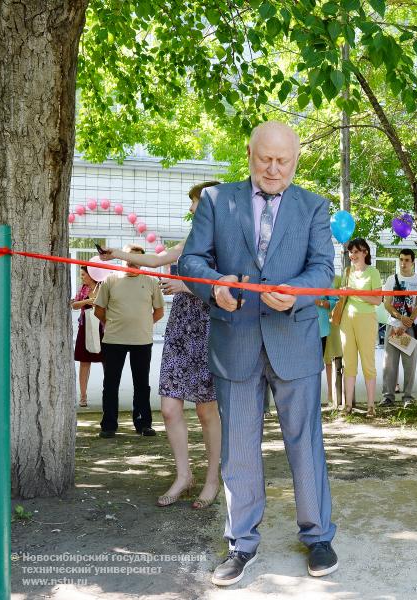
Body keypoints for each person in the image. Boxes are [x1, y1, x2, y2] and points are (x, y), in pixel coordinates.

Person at [179, 121, 339, 586]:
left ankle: (318, 536)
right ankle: (241, 544)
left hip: (295, 340)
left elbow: (323, 269)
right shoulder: (215, 200)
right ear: (249, 153)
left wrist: (299, 294)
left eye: (282, 161)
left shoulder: (313, 206)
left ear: (296, 160)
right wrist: (216, 288)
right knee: (240, 450)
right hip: (236, 340)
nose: (273, 169)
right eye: (264, 159)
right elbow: (192, 261)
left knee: (305, 444)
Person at [99, 180, 224, 510]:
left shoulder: (228, 241)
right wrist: (116, 254)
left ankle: (212, 479)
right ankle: (184, 476)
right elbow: (155, 261)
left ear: (210, 204)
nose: (191, 208)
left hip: (209, 328)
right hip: (181, 328)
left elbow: (230, 284)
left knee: (206, 410)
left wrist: (184, 284)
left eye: (195, 202)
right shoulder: (191, 240)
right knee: (169, 408)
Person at [93, 245, 165, 438]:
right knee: (110, 384)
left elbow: (159, 311)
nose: (133, 262)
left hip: (141, 341)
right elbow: (98, 309)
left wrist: (142, 324)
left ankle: (143, 424)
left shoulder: (151, 282)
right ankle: (108, 425)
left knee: (141, 384)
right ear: (123, 258)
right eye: (129, 258)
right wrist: (111, 324)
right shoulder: (110, 280)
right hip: (114, 341)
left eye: (137, 259)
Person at [338, 238, 383, 417]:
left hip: (366, 318)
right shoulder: (347, 271)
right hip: (347, 319)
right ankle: (347, 405)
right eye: (350, 252)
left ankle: (371, 406)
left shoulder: (373, 272)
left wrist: (354, 292)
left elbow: (378, 300)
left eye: (356, 251)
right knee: (348, 362)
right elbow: (344, 295)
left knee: (368, 362)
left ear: (365, 252)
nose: (352, 255)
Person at [380, 249, 417, 408]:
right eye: (401, 259)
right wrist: (400, 320)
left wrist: (407, 324)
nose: (403, 263)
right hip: (393, 327)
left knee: (409, 365)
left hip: (410, 327)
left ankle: (408, 397)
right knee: (389, 364)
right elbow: (387, 303)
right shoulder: (391, 280)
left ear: (413, 262)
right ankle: (388, 397)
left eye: (407, 260)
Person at [72, 266, 103, 407]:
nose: (82, 277)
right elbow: (74, 305)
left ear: (92, 275)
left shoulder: (103, 287)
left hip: (103, 329)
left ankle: (108, 393)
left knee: (107, 362)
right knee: (84, 362)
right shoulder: (83, 289)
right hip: (85, 328)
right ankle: (83, 396)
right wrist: (87, 301)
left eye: (84, 275)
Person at [315, 282, 339, 405]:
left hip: (321, 330)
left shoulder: (325, 281)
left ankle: (319, 397)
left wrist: (320, 303)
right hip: (300, 329)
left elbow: (335, 301)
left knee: (317, 366)